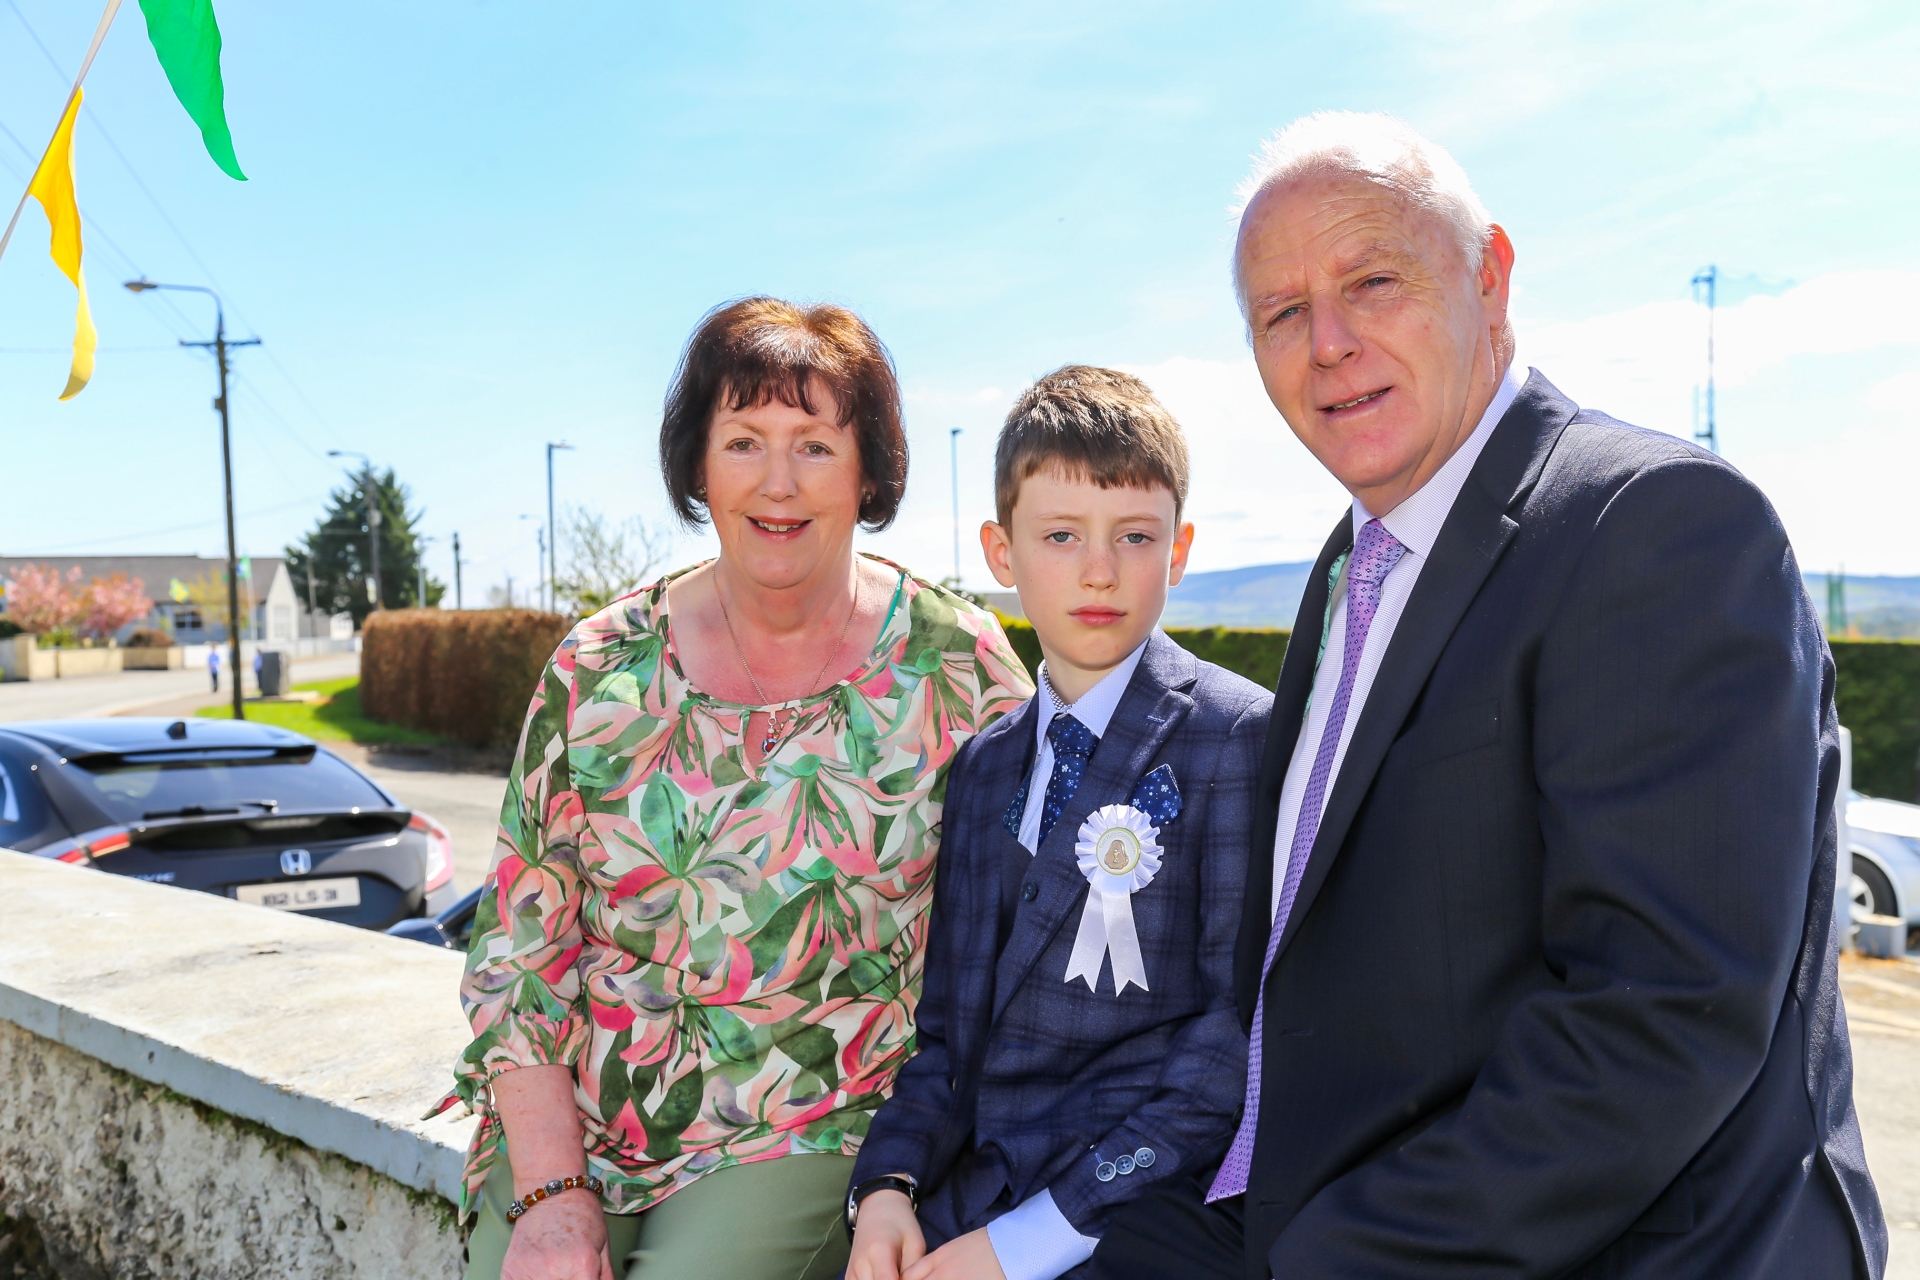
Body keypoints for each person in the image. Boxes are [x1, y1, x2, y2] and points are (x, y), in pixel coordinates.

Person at [1093, 112, 1886, 1279]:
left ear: (1491, 277)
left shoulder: (1655, 525)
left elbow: (1659, 1022)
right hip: (1315, 1202)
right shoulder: (1348, 567)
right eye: (1281, 314)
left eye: (1373, 279)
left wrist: (1323, 1258)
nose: (1328, 342)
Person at [449, 297, 1033, 1280]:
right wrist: (552, 1196)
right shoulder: (599, 668)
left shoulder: (953, 665)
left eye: (813, 444)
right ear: (698, 464)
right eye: (743, 440)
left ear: (868, 470)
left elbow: (1038, 919)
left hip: (814, 1119)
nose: (776, 482)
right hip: (589, 1119)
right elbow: (522, 954)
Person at [847, 367, 1270, 1280]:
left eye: (1135, 537)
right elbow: (951, 1037)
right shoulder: (985, 766)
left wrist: (1023, 1244)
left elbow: (1228, 1045)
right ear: (1002, 554)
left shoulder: (1236, 738)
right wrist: (887, 1183)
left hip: (1131, 1219)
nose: (1099, 570)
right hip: (967, 1205)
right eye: (1061, 535)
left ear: (1180, 548)